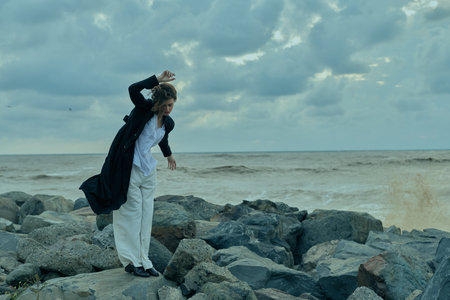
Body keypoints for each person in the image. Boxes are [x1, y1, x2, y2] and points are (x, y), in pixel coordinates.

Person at [80, 70, 177, 277]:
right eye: (166, 104)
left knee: (146, 215)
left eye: (172, 104)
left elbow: (163, 139)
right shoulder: (143, 110)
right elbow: (133, 89)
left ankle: (145, 260)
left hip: (148, 171)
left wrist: (168, 155)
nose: (169, 109)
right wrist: (157, 79)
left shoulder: (169, 123)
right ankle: (131, 261)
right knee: (130, 214)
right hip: (129, 168)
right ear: (158, 102)